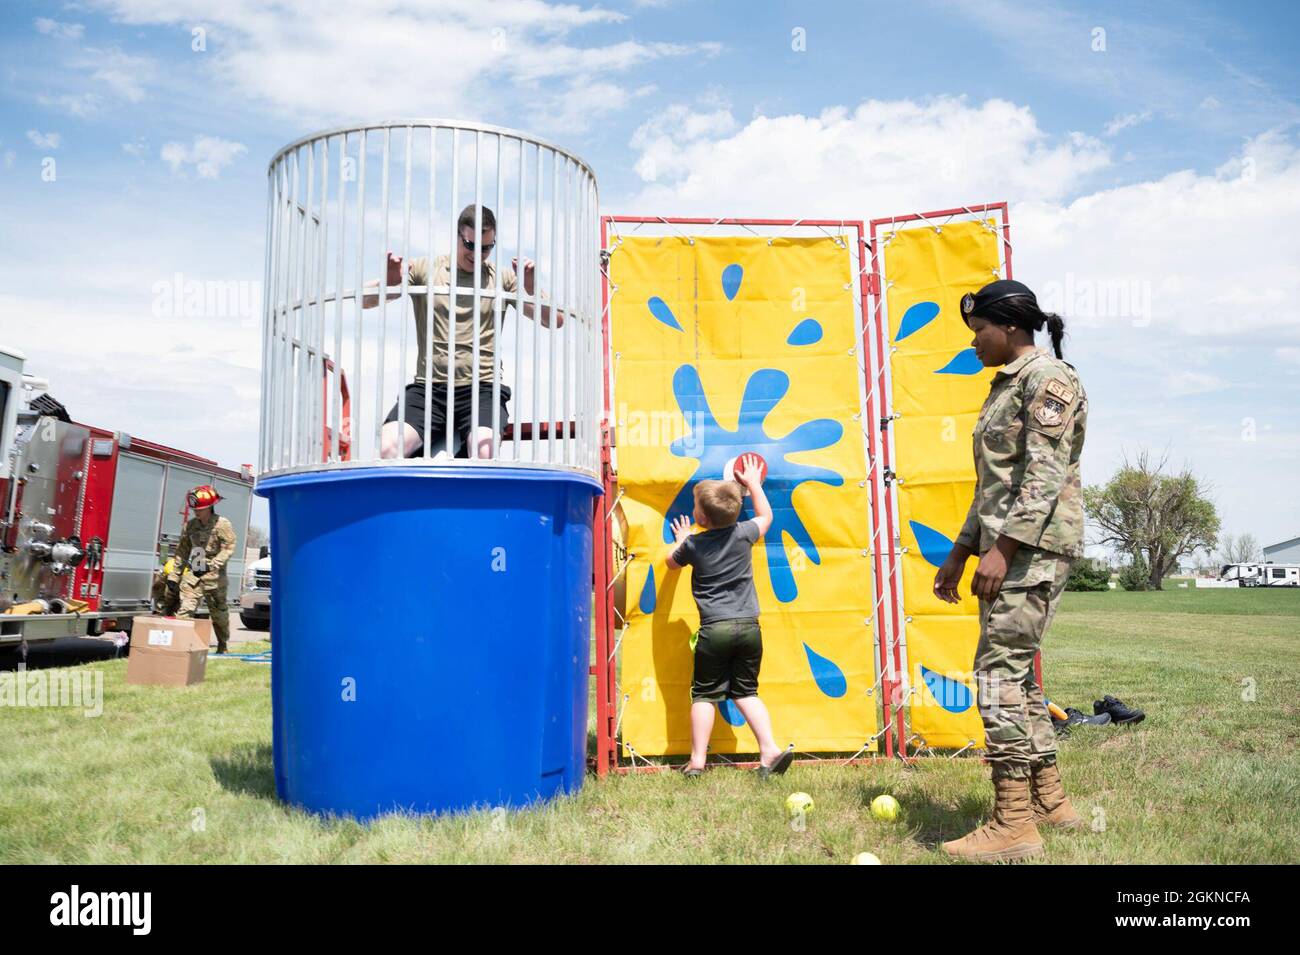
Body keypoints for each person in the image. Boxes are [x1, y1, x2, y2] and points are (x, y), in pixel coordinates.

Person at [931, 279, 1087, 862]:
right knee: (1017, 679)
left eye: (980, 333)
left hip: (1032, 552)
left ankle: (1013, 827)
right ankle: (1049, 802)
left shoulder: (1049, 380)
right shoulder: (1006, 387)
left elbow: (1043, 476)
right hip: (1011, 548)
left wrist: (1005, 550)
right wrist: (961, 550)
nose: (974, 345)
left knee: (996, 677)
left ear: (1012, 327)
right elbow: (995, 485)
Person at [363, 204, 563, 460]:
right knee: (387, 447)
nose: (477, 254)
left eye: (486, 248)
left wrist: (532, 289)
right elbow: (364, 299)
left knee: (484, 450)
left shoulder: (501, 279)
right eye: (470, 245)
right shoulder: (427, 269)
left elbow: (555, 320)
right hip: (430, 388)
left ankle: (474, 500)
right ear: (458, 236)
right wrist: (388, 284)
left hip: (482, 388)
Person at [666, 455, 794, 778]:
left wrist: (681, 539)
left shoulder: (694, 544)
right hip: (750, 628)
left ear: (703, 519)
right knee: (746, 692)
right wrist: (753, 484)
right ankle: (770, 750)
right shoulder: (743, 533)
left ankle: (697, 761)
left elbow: (670, 562)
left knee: (705, 694)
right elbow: (765, 516)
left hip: (715, 630)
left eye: (696, 507)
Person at [168, 484, 237, 654]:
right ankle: (179, 649)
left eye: (200, 509)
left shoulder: (222, 524)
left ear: (209, 507)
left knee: (219, 616)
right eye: (194, 509)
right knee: (185, 609)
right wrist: (174, 576)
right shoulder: (190, 526)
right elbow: (182, 552)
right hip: (195, 575)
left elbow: (228, 548)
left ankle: (222, 646)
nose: (196, 512)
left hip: (215, 578)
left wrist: (213, 564)